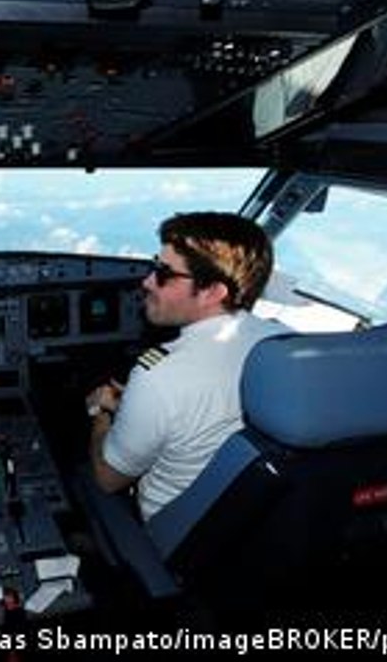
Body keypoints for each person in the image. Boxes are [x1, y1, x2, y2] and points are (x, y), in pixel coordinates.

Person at [83, 212, 285, 520]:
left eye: (164, 273)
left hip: (177, 536)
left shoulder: (160, 377)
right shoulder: (286, 342)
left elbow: (108, 479)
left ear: (213, 292)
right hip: (259, 521)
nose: (147, 281)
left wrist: (102, 412)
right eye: (154, 266)